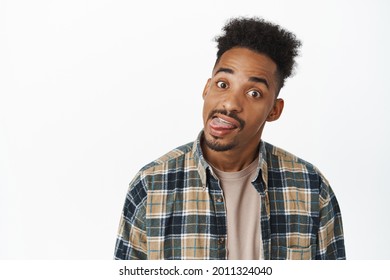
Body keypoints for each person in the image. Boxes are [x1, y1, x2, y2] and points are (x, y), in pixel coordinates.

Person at [114, 17, 346, 260]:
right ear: (206, 89)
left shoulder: (311, 188)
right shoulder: (151, 186)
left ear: (274, 110)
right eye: (223, 84)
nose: (230, 103)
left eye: (254, 93)